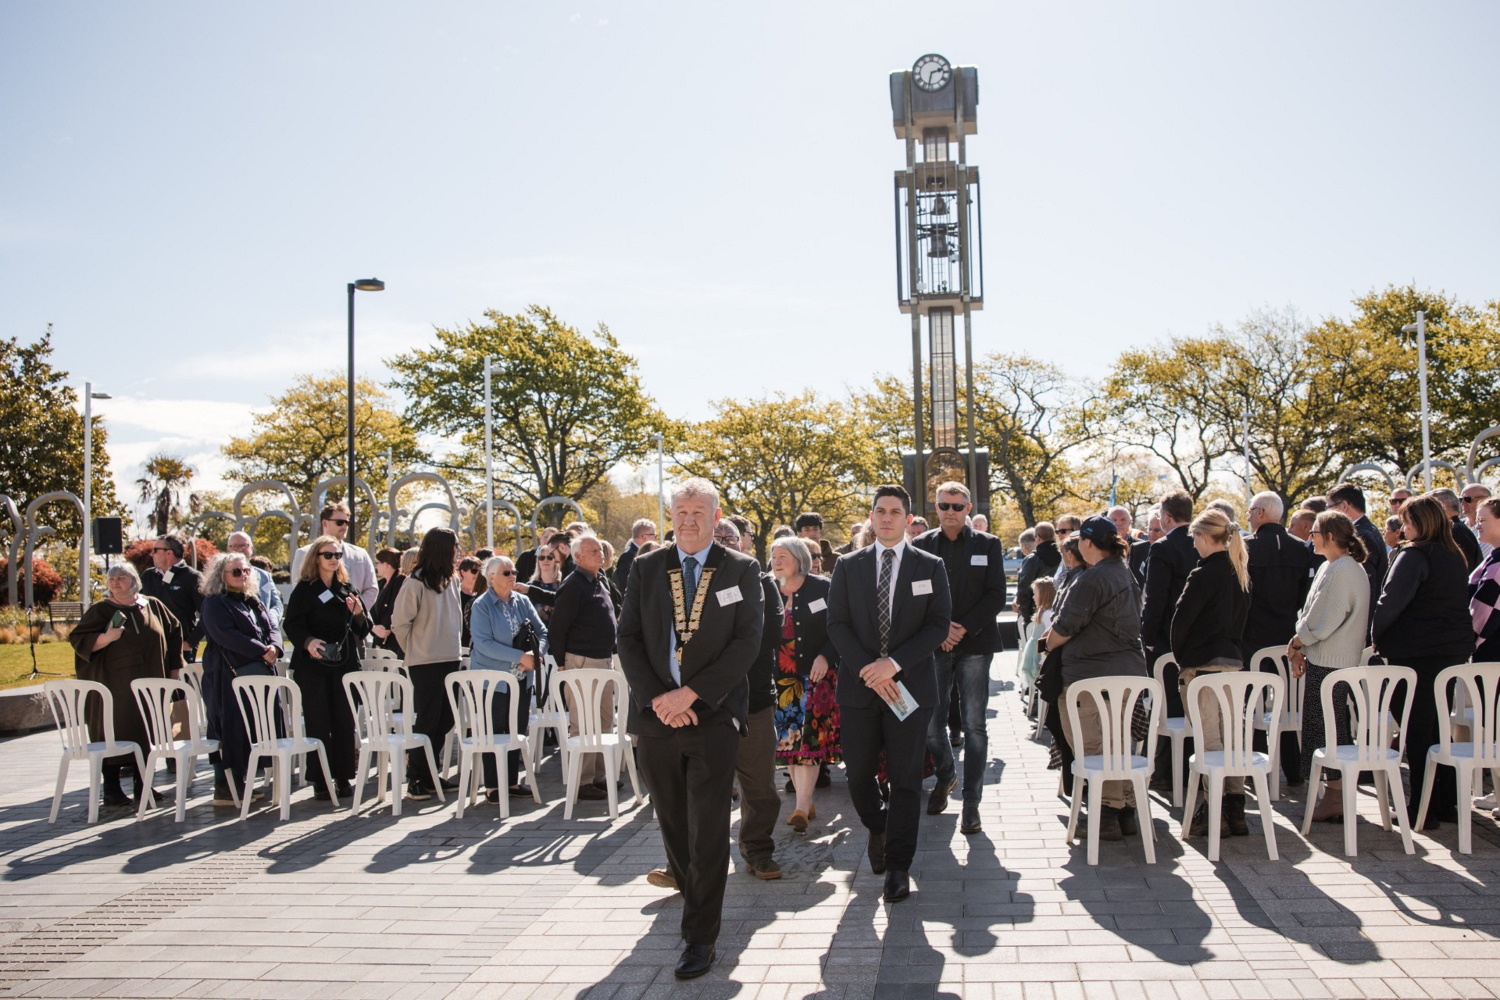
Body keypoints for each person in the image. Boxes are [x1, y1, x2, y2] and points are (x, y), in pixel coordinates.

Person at [617, 477, 765, 981]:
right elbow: (629, 638)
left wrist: (693, 695)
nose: (686, 519)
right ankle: (687, 883)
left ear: (715, 516)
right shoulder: (646, 568)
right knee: (672, 820)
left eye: (697, 511)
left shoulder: (741, 570)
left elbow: (746, 643)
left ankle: (700, 936)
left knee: (707, 829)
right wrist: (659, 699)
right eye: (679, 510)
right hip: (657, 718)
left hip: (714, 717)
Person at [827, 484, 951, 905]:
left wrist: (892, 665)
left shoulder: (930, 566)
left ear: (907, 518)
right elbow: (838, 624)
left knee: (904, 780)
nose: (886, 518)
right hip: (860, 688)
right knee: (858, 775)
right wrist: (870, 668)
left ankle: (899, 866)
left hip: (909, 689)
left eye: (895, 511)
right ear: (872, 515)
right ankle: (877, 826)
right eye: (879, 510)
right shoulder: (848, 565)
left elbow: (937, 626)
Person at [1042, 516, 1147, 842]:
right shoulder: (1123, 571)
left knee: (1096, 748)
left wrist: (1047, 642)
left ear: (1087, 543)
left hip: (1091, 677)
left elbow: (1064, 627)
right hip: (1125, 674)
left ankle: (1108, 812)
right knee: (1116, 744)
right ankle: (1125, 809)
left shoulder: (1093, 578)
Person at [1372, 495, 1472, 829]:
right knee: (1438, 727)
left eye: (1407, 521)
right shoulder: (1453, 555)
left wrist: (1375, 635)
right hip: (1452, 650)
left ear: (1420, 523)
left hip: (1415, 651)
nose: (1402, 528)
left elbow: (1390, 601)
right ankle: (1444, 802)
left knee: (1416, 728)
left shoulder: (1414, 555)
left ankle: (1422, 808)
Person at [913, 481, 1007, 834]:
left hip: (976, 644)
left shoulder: (989, 544)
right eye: (943, 505)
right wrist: (942, 632)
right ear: (934, 508)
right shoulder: (921, 545)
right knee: (931, 725)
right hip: (934, 646)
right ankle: (946, 776)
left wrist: (962, 628)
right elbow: (915, 595)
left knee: (974, 725)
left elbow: (996, 594)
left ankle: (971, 802)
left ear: (969, 508)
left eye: (957, 506)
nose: (950, 512)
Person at [68, 563, 183, 805]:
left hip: (152, 683)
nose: (115, 582)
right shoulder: (101, 610)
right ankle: (111, 787)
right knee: (114, 730)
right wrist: (107, 637)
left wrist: (174, 672)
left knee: (148, 729)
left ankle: (145, 785)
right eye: (111, 578)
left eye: (121, 577)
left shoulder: (153, 606)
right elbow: (78, 639)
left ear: (134, 581)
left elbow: (174, 632)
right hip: (115, 685)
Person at [1171, 509, 1253, 837]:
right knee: (1230, 738)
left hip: (1203, 665)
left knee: (1210, 739)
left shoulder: (1203, 574)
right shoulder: (1240, 572)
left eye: (1194, 538)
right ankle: (1236, 809)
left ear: (1205, 536)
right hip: (1233, 662)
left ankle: (1215, 808)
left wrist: (1182, 659)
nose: (1193, 545)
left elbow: (1182, 621)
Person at [1286, 511, 1371, 823]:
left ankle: (1335, 796)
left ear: (1331, 535)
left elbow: (1324, 619)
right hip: (1327, 658)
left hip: (1334, 663)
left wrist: (1298, 643)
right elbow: (1310, 612)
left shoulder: (1344, 569)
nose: (1311, 536)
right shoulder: (1333, 566)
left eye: (1316, 531)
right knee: (1323, 729)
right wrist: (1301, 643)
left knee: (1328, 731)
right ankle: (1331, 794)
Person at [715, 519, 784, 880]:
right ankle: (687, 862)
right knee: (699, 789)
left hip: (753, 699)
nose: (724, 543)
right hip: (703, 703)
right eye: (717, 538)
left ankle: (757, 849)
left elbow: (770, 631)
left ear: (742, 542)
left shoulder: (761, 580)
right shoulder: (689, 582)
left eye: (730, 538)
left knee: (759, 787)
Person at [282, 534, 368, 801]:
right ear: (315, 558)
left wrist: (357, 613)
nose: (334, 560)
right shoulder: (305, 589)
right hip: (313, 664)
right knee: (318, 720)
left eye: (337, 555)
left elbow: (362, 629)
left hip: (344, 663)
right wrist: (307, 641)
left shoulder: (347, 588)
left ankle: (343, 777)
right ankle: (319, 778)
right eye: (328, 555)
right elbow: (292, 624)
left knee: (344, 720)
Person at [1242, 491, 1314, 787]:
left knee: (1252, 703)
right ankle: (1294, 769)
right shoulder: (1301, 548)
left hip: (1252, 635)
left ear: (1260, 513)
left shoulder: (1246, 548)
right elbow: (1305, 597)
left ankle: (1254, 764)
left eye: (1249, 511)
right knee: (1288, 705)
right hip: (1286, 631)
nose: (1247, 516)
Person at [198, 552, 281, 805]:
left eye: (246, 571)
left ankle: (241, 783)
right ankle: (225, 787)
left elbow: (272, 627)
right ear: (220, 576)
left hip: (257, 674)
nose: (243, 575)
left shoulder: (252, 600)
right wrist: (261, 650)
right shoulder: (215, 602)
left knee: (252, 728)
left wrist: (275, 648)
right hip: (227, 676)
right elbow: (226, 635)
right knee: (230, 727)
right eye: (236, 572)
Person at [769, 535, 840, 832]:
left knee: (809, 743)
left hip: (816, 676)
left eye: (783, 555)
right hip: (782, 679)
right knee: (790, 744)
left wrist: (826, 656)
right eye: (773, 555)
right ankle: (804, 800)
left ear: (800, 559)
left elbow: (840, 628)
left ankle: (800, 807)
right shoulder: (766, 588)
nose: (777, 560)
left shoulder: (823, 587)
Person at [392, 527, 464, 801]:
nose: (458, 550)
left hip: (451, 658)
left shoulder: (452, 579)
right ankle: (416, 779)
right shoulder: (415, 582)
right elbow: (400, 624)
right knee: (427, 719)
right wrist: (415, 648)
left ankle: (431, 773)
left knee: (445, 719)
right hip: (425, 662)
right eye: (455, 545)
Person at [469, 555, 547, 801]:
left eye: (514, 572)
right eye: (506, 573)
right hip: (493, 681)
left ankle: (512, 781)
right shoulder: (481, 605)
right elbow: (483, 644)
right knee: (494, 730)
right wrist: (519, 657)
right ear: (491, 577)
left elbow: (542, 631)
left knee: (516, 729)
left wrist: (537, 654)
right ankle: (493, 786)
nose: (513, 576)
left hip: (522, 679)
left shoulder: (522, 601)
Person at [548, 533, 619, 800]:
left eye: (600, 549)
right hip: (581, 660)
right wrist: (562, 664)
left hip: (602, 659)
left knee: (603, 720)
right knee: (584, 722)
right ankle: (584, 780)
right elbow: (558, 627)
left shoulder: (599, 580)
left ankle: (600, 776)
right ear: (577, 556)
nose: (600, 554)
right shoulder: (574, 584)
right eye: (593, 551)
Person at [1140, 490, 1197, 722]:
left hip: (1168, 637)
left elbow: (1155, 597)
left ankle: (1169, 757)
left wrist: (1149, 638)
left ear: (1166, 516)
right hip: (1199, 635)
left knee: (1169, 707)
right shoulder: (1203, 540)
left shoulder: (1163, 547)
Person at [289, 503, 379, 611]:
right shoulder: (304, 553)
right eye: (340, 522)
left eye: (347, 522)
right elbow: (299, 591)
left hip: (353, 623)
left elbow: (372, 589)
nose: (345, 526)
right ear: (325, 523)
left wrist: (356, 612)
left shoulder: (361, 554)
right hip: (318, 621)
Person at [1326, 484, 1388, 634]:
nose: (1326, 513)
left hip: (1360, 627)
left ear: (1344, 506)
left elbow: (1367, 585)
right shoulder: (1367, 529)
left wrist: (1361, 627)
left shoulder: (1361, 535)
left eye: (1328, 507)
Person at [139, 534, 203, 665]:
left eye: (155, 550)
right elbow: (137, 605)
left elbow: (209, 614)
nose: (151, 554)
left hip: (180, 651)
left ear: (168, 553)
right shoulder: (148, 576)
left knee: (178, 686)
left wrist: (191, 642)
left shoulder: (193, 577)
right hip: (151, 648)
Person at [226, 531, 283, 619]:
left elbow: (276, 604)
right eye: (235, 546)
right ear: (228, 550)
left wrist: (270, 621)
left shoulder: (265, 576)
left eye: (243, 545)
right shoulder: (222, 576)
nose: (240, 549)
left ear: (251, 549)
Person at [1016, 522, 1060, 627]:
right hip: (1058, 612)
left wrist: (1026, 617)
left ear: (1038, 537)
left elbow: (1024, 589)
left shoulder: (1032, 559)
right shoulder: (1064, 556)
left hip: (1036, 613)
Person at [1431, 488, 1482, 573]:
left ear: (1442, 506)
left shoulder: (1455, 530)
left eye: (1430, 506)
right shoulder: (1457, 528)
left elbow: (1462, 568)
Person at [368, 547, 406, 658]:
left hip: (391, 640)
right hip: (377, 635)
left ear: (386, 564)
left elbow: (393, 609)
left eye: (377, 563)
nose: (376, 566)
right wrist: (373, 628)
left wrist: (381, 635)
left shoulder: (400, 581)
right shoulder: (380, 583)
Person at [615, 518, 657, 589]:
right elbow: (624, 586)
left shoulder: (635, 553)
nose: (655, 539)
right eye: (654, 535)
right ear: (644, 537)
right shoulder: (628, 556)